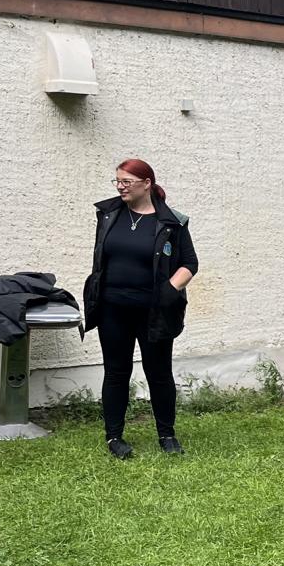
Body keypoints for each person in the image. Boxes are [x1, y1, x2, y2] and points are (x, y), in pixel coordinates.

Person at [84, 158, 198, 459]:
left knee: (158, 373)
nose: (120, 187)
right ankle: (114, 437)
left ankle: (167, 435)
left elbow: (189, 263)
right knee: (116, 372)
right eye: (117, 181)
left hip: (154, 312)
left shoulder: (172, 221)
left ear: (147, 184)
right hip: (112, 310)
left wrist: (168, 290)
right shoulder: (108, 214)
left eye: (127, 181)